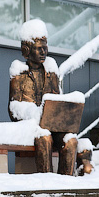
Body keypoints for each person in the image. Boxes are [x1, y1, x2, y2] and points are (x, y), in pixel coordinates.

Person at [8, 19, 78, 175]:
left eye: (45, 48)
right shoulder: (19, 72)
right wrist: (34, 113)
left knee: (70, 140)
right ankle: (47, 184)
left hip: (52, 125)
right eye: (39, 49)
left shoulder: (51, 70)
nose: (43, 52)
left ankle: (66, 185)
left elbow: (57, 101)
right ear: (27, 50)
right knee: (44, 138)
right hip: (30, 126)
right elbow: (13, 109)